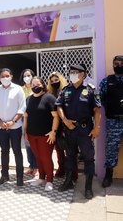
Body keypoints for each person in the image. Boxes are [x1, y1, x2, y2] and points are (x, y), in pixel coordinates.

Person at [56, 64, 101, 199]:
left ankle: (88, 187)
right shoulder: (65, 90)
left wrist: (96, 128)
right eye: (71, 72)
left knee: (88, 158)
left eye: (76, 72)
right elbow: (59, 106)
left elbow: (97, 110)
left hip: (85, 130)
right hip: (69, 129)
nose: (73, 74)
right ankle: (68, 181)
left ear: (84, 74)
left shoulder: (91, 90)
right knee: (70, 157)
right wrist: (65, 121)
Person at [0, 68, 26, 186]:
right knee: (4, 151)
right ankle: (4, 176)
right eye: (2, 76)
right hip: (0, 127)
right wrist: (0, 122)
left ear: (11, 76)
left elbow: (22, 107)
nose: (5, 78)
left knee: (17, 151)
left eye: (7, 76)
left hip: (15, 127)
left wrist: (13, 121)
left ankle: (20, 177)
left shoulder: (18, 89)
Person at [25, 76, 59, 191]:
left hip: (46, 135)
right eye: (33, 84)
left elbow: (56, 116)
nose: (35, 86)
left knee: (46, 157)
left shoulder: (49, 98)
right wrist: (25, 132)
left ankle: (49, 180)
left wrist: (53, 132)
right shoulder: (28, 99)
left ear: (43, 85)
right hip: (32, 134)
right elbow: (26, 117)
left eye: (38, 84)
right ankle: (41, 177)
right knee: (38, 157)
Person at [99, 55, 123, 188]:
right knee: (111, 149)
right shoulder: (106, 81)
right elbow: (101, 99)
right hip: (113, 121)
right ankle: (109, 175)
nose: (118, 65)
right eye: (116, 63)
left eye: (121, 63)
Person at [47, 71, 67, 178]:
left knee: (70, 151)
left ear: (60, 80)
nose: (55, 82)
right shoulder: (50, 94)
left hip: (67, 124)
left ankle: (72, 173)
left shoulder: (66, 90)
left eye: (56, 80)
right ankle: (61, 169)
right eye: (52, 81)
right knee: (59, 150)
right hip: (56, 125)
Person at [19, 69, 37, 176]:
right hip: (23, 118)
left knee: (35, 143)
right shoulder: (20, 89)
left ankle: (37, 167)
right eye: (25, 75)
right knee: (27, 143)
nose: (27, 77)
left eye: (29, 75)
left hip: (34, 119)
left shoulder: (37, 88)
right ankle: (31, 166)